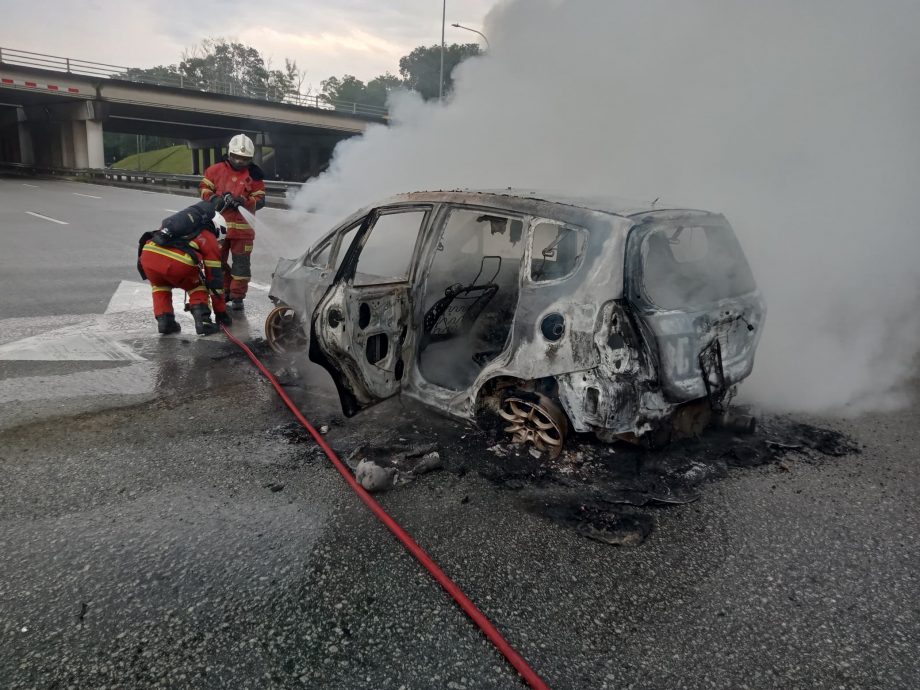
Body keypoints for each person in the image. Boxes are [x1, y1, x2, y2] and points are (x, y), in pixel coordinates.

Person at [136, 199, 232, 335]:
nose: (219, 242)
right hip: (176, 263)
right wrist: (221, 313)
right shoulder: (208, 236)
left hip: (149, 256)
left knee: (160, 286)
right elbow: (214, 279)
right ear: (217, 227)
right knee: (198, 286)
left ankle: (166, 323)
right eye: (219, 239)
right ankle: (204, 323)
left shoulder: (178, 225)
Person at [198, 133, 266, 309]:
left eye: (244, 159)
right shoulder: (214, 171)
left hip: (243, 232)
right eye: (236, 157)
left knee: (241, 267)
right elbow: (204, 190)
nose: (240, 162)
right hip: (218, 229)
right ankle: (224, 291)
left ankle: (237, 298)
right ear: (230, 154)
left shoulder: (255, 175)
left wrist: (245, 202)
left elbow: (261, 200)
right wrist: (216, 199)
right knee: (216, 263)